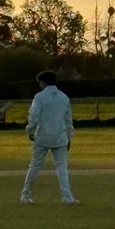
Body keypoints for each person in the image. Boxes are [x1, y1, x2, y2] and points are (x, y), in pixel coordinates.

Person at [20, 70, 78, 205]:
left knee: (35, 165)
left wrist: (30, 130)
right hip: (60, 136)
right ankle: (67, 197)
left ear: (44, 82)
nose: (39, 85)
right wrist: (69, 136)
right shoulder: (64, 97)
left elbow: (34, 116)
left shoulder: (39, 97)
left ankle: (25, 194)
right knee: (62, 166)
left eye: (40, 83)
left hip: (42, 136)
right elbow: (68, 120)